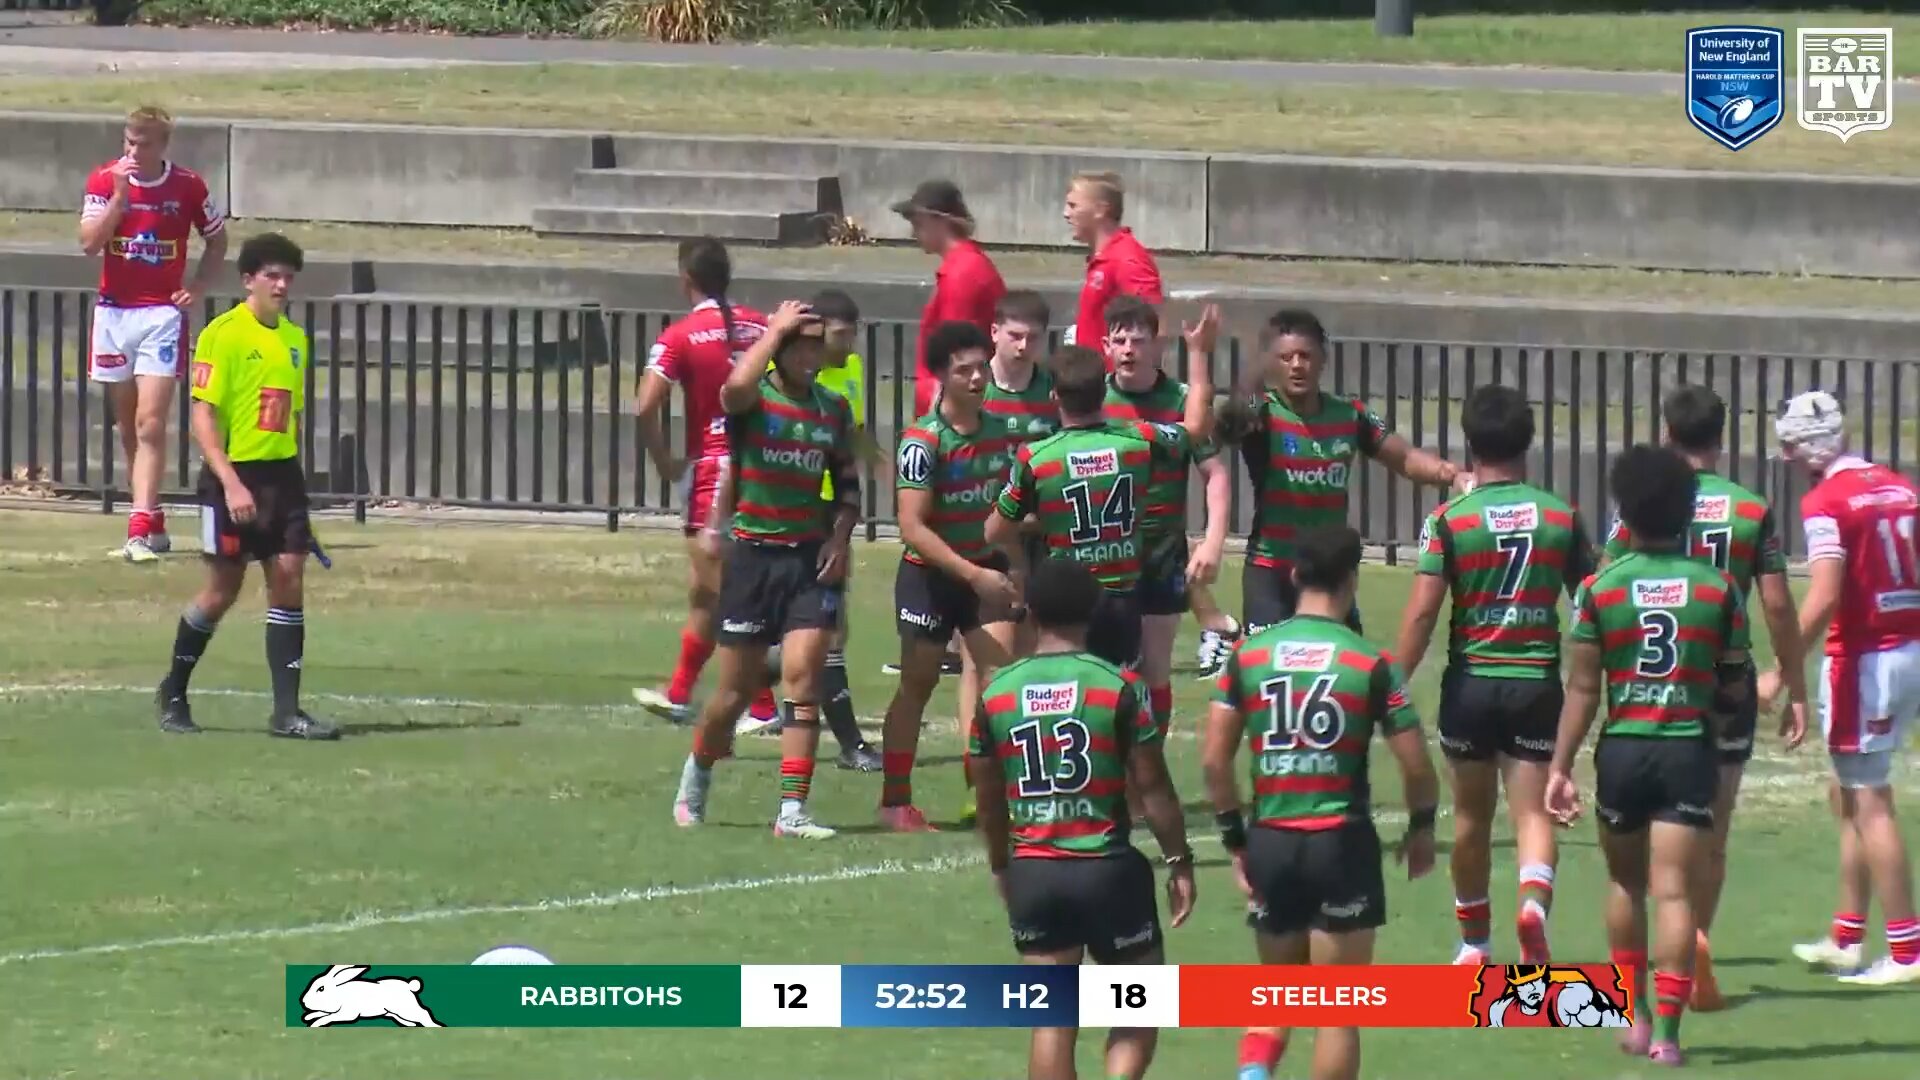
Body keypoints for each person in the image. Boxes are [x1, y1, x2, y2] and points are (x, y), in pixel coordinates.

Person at [1203, 523, 1439, 1080]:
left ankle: (1253, 1074)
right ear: (1352, 580)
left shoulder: (1248, 656)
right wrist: (1422, 827)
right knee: (1336, 1013)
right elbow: (1415, 765)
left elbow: (1214, 761)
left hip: (1273, 842)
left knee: (1275, 995)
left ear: (1293, 576)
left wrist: (1236, 840)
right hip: (1341, 843)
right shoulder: (1369, 662)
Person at [1601, 384, 1809, 1008]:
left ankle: (1647, 976)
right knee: (1710, 831)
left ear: (1666, 433)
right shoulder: (1749, 509)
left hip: (1655, 684)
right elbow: (1777, 604)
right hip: (1725, 680)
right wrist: (1794, 683)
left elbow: (1605, 580)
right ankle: (1694, 942)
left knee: (1641, 847)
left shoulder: (1647, 503)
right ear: (1722, 436)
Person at [1547, 445, 1752, 1066]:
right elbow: (1734, 684)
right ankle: (1667, 1035)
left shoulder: (1599, 588)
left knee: (1624, 883)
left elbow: (1584, 689)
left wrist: (1559, 766)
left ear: (1626, 513)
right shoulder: (1719, 589)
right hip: (1687, 752)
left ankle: (1633, 1018)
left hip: (1624, 752)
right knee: (1674, 892)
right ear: (1687, 512)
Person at [1391, 385, 1595, 968]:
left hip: (1471, 686)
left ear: (1470, 443)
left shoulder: (1449, 520)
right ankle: (1532, 906)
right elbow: (1590, 602)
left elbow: (1423, 614)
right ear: (1528, 441)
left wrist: (1391, 684)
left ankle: (1474, 944)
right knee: (1532, 814)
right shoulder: (1561, 516)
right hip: (1535, 684)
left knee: (1471, 819)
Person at [968, 557, 1195, 1080]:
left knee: (1051, 1022)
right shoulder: (1118, 685)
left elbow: (988, 797)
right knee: (1139, 1008)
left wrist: (1002, 865)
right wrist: (1179, 861)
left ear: (1031, 614)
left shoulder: (996, 692)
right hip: (1107, 868)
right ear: (1093, 612)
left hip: (1035, 872)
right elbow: (1154, 787)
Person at [671, 300, 860, 840]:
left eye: (816, 346)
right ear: (781, 349)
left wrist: (839, 538)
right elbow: (732, 390)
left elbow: (849, 489)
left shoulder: (832, 409)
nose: (810, 356)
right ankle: (697, 776)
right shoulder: (756, 400)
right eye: (799, 346)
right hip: (753, 560)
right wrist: (773, 330)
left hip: (807, 561)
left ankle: (792, 812)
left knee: (804, 679)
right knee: (733, 694)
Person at [1760, 391, 1920, 987]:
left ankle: (1906, 949)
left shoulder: (1826, 500)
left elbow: (1824, 593)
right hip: (1907, 648)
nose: (1784, 457)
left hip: (1866, 659)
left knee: (1869, 799)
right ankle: (1848, 934)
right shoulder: (1900, 486)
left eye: (1789, 445)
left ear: (1807, 448)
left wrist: (1781, 669)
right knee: (1848, 790)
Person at [153, 232, 335, 740]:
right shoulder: (224, 334)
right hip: (232, 476)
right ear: (248, 280)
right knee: (223, 589)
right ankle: (174, 690)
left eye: (288, 277)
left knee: (289, 577)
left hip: (282, 476)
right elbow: (203, 415)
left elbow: (289, 414)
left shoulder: (294, 340)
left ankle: (286, 712)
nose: (281, 285)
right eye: (272, 276)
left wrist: (292, 480)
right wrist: (232, 483)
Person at [1212, 308, 1465, 647]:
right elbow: (1227, 423)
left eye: (1305, 356)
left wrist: (1452, 474)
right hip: (1271, 568)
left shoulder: (1350, 415)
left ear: (1323, 359)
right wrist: (1254, 365)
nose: (1297, 365)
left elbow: (1405, 458)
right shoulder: (1262, 415)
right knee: (1270, 667)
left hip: (1330, 568)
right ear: (1272, 363)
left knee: (1343, 665)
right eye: (1286, 357)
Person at [877, 321, 1023, 831]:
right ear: (942, 375)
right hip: (930, 580)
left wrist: (1013, 562)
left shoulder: (1001, 435)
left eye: (982, 368)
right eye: (965, 371)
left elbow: (1007, 511)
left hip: (985, 573)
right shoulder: (923, 443)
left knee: (1002, 682)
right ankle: (895, 801)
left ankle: (989, 793)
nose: (978, 378)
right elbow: (912, 527)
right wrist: (972, 574)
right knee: (916, 686)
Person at [630, 238, 779, 734]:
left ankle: (763, 705)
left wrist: (664, 460)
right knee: (705, 590)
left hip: (714, 466)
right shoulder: (762, 325)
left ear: (686, 279)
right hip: (763, 462)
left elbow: (644, 404)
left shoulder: (682, 334)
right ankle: (679, 692)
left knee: (725, 588)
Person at [80, 105, 229, 563]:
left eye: (143, 143)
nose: (133, 151)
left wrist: (197, 288)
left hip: (161, 314)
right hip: (113, 313)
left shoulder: (187, 185)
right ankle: (153, 517)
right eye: (129, 141)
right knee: (128, 425)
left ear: (163, 144)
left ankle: (138, 528)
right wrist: (120, 199)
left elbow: (217, 238)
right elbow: (89, 244)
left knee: (150, 421)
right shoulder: (104, 180)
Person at [987, 345, 1194, 672]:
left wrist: (1042, 521)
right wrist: (1198, 353)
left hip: (1066, 597)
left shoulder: (1036, 457)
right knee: (1116, 687)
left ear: (1055, 395)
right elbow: (1194, 429)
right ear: (1104, 391)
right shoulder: (1141, 440)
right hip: (1122, 597)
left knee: (1065, 683)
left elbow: (995, 531)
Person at [1101, 295, 1230, 739]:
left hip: (1160, 553)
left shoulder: (1181, 400)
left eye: (1138, 340)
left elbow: (1215, 473)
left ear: (1158, 346)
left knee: (1155, 668)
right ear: (1106, 347)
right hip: (1103, 554)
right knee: (1105, 670)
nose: (1128, 350)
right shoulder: (1092, 399)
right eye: (1120, 341)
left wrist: (1213, 541)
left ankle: (1149, 764)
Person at [893, 179, 1006, 419]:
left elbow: (956, 353)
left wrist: (941, 417)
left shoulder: (963, 273)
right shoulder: (964, 267)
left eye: (918, 224)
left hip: (949, 412)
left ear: (940, 220)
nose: (913, 233)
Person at [1063, 172, 1163, 357]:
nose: (1066, 214)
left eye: (1073, 206)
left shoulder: (1128, 259)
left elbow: (1153, 327)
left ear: (1100, 210)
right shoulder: (1105, 257)